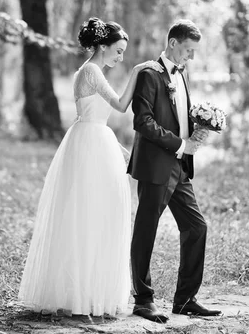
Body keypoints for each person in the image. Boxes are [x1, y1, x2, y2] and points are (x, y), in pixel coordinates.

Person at [18, 17, 157, 317]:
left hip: (91, 137)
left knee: (89, 215)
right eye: (118, 51)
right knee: (92, 215)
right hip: (92, 143)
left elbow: (97, 116)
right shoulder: (92, 70)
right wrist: (136, 72)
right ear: (103, 47)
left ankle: (85, 293)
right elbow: (120, 105)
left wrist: (120, 149)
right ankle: (84, 296)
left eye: (123, 54)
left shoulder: (86, 70)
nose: (120, 57)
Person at [127, 19, 221, 323]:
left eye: (194, 52)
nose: (190, 57)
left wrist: (202, 127)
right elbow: (143, 122)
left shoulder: (182, 76)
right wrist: (180, 144)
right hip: (156, 165)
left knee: (197, 227)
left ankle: (185, 300)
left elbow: (178, 116)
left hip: (179, 168)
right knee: (146, 231)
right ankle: (143, 300)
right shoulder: (149, 75)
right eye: (188, 50)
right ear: (173, 44)